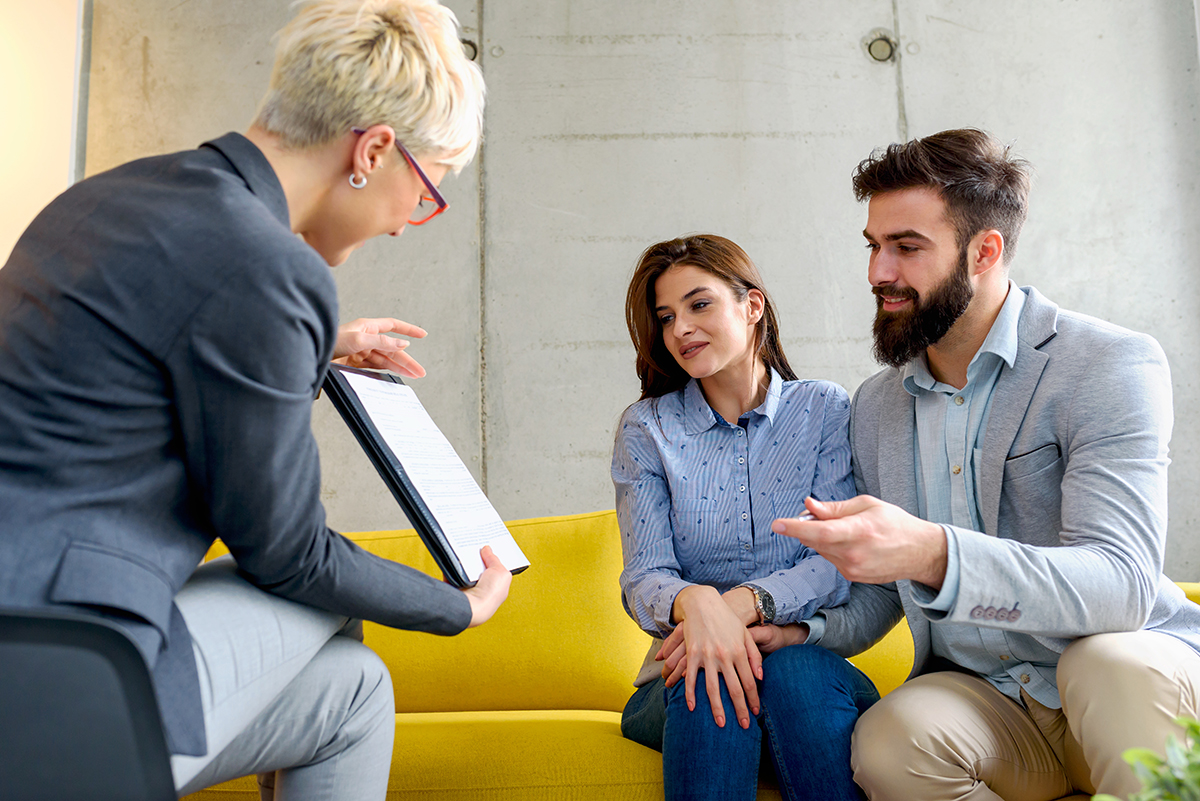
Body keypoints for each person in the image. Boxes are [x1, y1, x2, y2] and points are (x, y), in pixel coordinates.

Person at [0, 1, 511, 799]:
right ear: (373, 150)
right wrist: (458, 608)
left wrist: (317, 342)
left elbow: (143, 354)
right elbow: (288, 553)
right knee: (330, 602)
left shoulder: (108, 197)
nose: (407, 225)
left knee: (353, 691)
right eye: (425, 192)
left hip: (28, 619)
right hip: (59, 664)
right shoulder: (269, 267)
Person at [770, 128, 1200, 800]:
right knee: (889, 741)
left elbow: (1121, 585)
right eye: (873, 246)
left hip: (1124, 684)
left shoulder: (1108, 364)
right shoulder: (876, 406)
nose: (879, 272)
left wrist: (934, 551)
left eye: (907, 246)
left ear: (985, 251)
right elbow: (889, 587)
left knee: (1105, 662)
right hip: (993, 703)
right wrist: (800, 628)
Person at [613, 234, 879, 801]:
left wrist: (740, 604)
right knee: (707, 670)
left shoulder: (823, 409)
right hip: (677, 680)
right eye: (666, 317)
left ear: (752, 306)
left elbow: (834, 561)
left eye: (698, 304)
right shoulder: (646, 429)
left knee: (791, 669)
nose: (680, 328)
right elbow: (644, 576)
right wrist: (697, 606)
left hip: (804, 671)